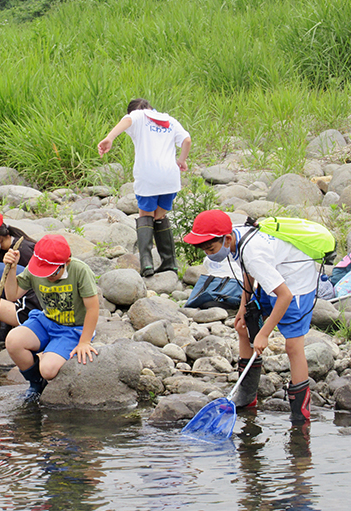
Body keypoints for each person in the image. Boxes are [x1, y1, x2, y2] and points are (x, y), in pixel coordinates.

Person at [184, 209, 317, 424]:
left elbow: (285, 296)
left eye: (211, 249)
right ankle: (246, 397)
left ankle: (301, 416)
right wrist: (243, 307)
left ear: (227, 239)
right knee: (244, 326)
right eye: (205, 250)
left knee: (292, 346)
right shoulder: (234, 237)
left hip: (296, 282)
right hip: (272, 274)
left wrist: (265, 333)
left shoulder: (251, 253)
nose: (209, 255)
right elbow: (248, 271)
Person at [97, 98, 191, 277]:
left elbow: (127, 121)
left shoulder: (138, 116)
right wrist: (182, 160)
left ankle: (146, 263)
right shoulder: (169, 120)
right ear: (152, 108)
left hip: (148, 175)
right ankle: (169, 262)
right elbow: (187, 140)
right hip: (170, 177)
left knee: (146, 216)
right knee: (160, 216)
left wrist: (109, 138)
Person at [2, 234, 99, 401]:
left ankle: (47, 361)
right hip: (46, 321)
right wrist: (11, 269)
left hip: (72, 329)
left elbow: (93, 308)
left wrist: (84, 342)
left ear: (66, 262)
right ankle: (36, 384)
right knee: (13, 341)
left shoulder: (80, 271)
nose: (47, 277)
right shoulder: (35, 267)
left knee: (48, 369)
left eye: (52, 273)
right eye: (43, 272)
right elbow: (12, 295)